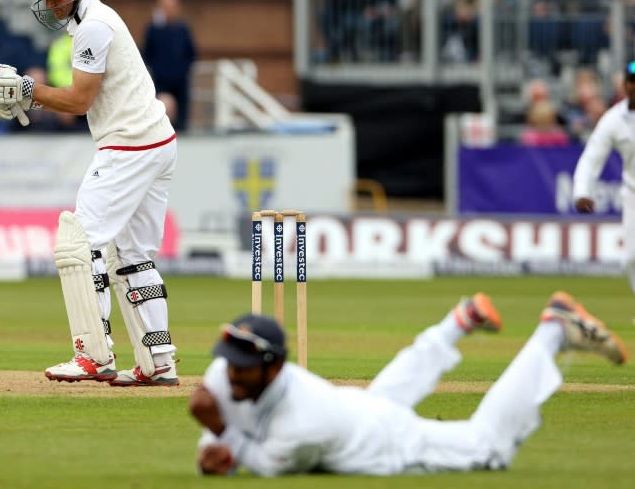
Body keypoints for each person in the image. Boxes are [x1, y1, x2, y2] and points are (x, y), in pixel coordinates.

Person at [0, 0, 178, 386]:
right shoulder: (88, 21)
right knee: (133, 257)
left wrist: (27, 89)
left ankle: (93, 355)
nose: (48, 5)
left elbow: (79, 101)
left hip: (129, 146)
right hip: (155, 142)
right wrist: (26, 93)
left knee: (81, 244)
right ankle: (158, 362)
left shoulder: (96, 27)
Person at [189, 291, 626, 476]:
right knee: (390, 387)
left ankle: (552, 331)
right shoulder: (224, 374)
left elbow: (267, 465)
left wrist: (222, 437)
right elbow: (221, 434)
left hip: (383, 441)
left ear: (275, 366)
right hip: (352, 409)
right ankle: (460, 321)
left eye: (243, 367)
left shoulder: (305, 424)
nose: (231, 375)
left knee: (486, 447)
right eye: (229, 364)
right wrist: (211, 443)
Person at [573, 61, 635, 303]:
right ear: (624, 85)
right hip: (633, 193)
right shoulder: (613, 119)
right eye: (631, 81)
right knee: (630, 259)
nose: (634, 87)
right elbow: (591, 158)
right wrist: (581, 192)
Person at [142, 0, 197, 133]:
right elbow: (147, 54)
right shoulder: (153, 30)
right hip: (160, 82)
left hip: (180, 82)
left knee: (181, 121)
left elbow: (191, 54)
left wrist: (183, 70)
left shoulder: (183, 29)